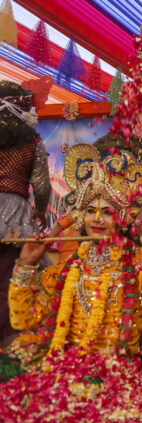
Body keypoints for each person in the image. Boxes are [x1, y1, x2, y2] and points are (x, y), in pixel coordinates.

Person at [5, 144, 142, 373]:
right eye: (91, 211)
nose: (97, 219)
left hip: (117, 374)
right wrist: (26, 265)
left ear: (123, 218)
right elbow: (23, 321)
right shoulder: (70, 267)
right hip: (67, 370)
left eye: (107, 212)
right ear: (82, 216)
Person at [0, 81, 51, 343]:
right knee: (9, 277)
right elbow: (41, 186)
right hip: (13, 214)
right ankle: (9, 339)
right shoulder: (32, 141)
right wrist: (40, 212)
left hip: (13, 214)